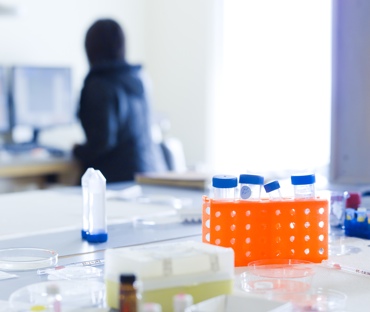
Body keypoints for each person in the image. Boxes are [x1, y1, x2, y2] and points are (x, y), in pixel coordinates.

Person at [73, 18, 166, 183]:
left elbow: (102, 142)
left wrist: (77, 151)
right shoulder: (138, 79)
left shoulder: (99, 84)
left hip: (118, 181)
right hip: (150, 175)